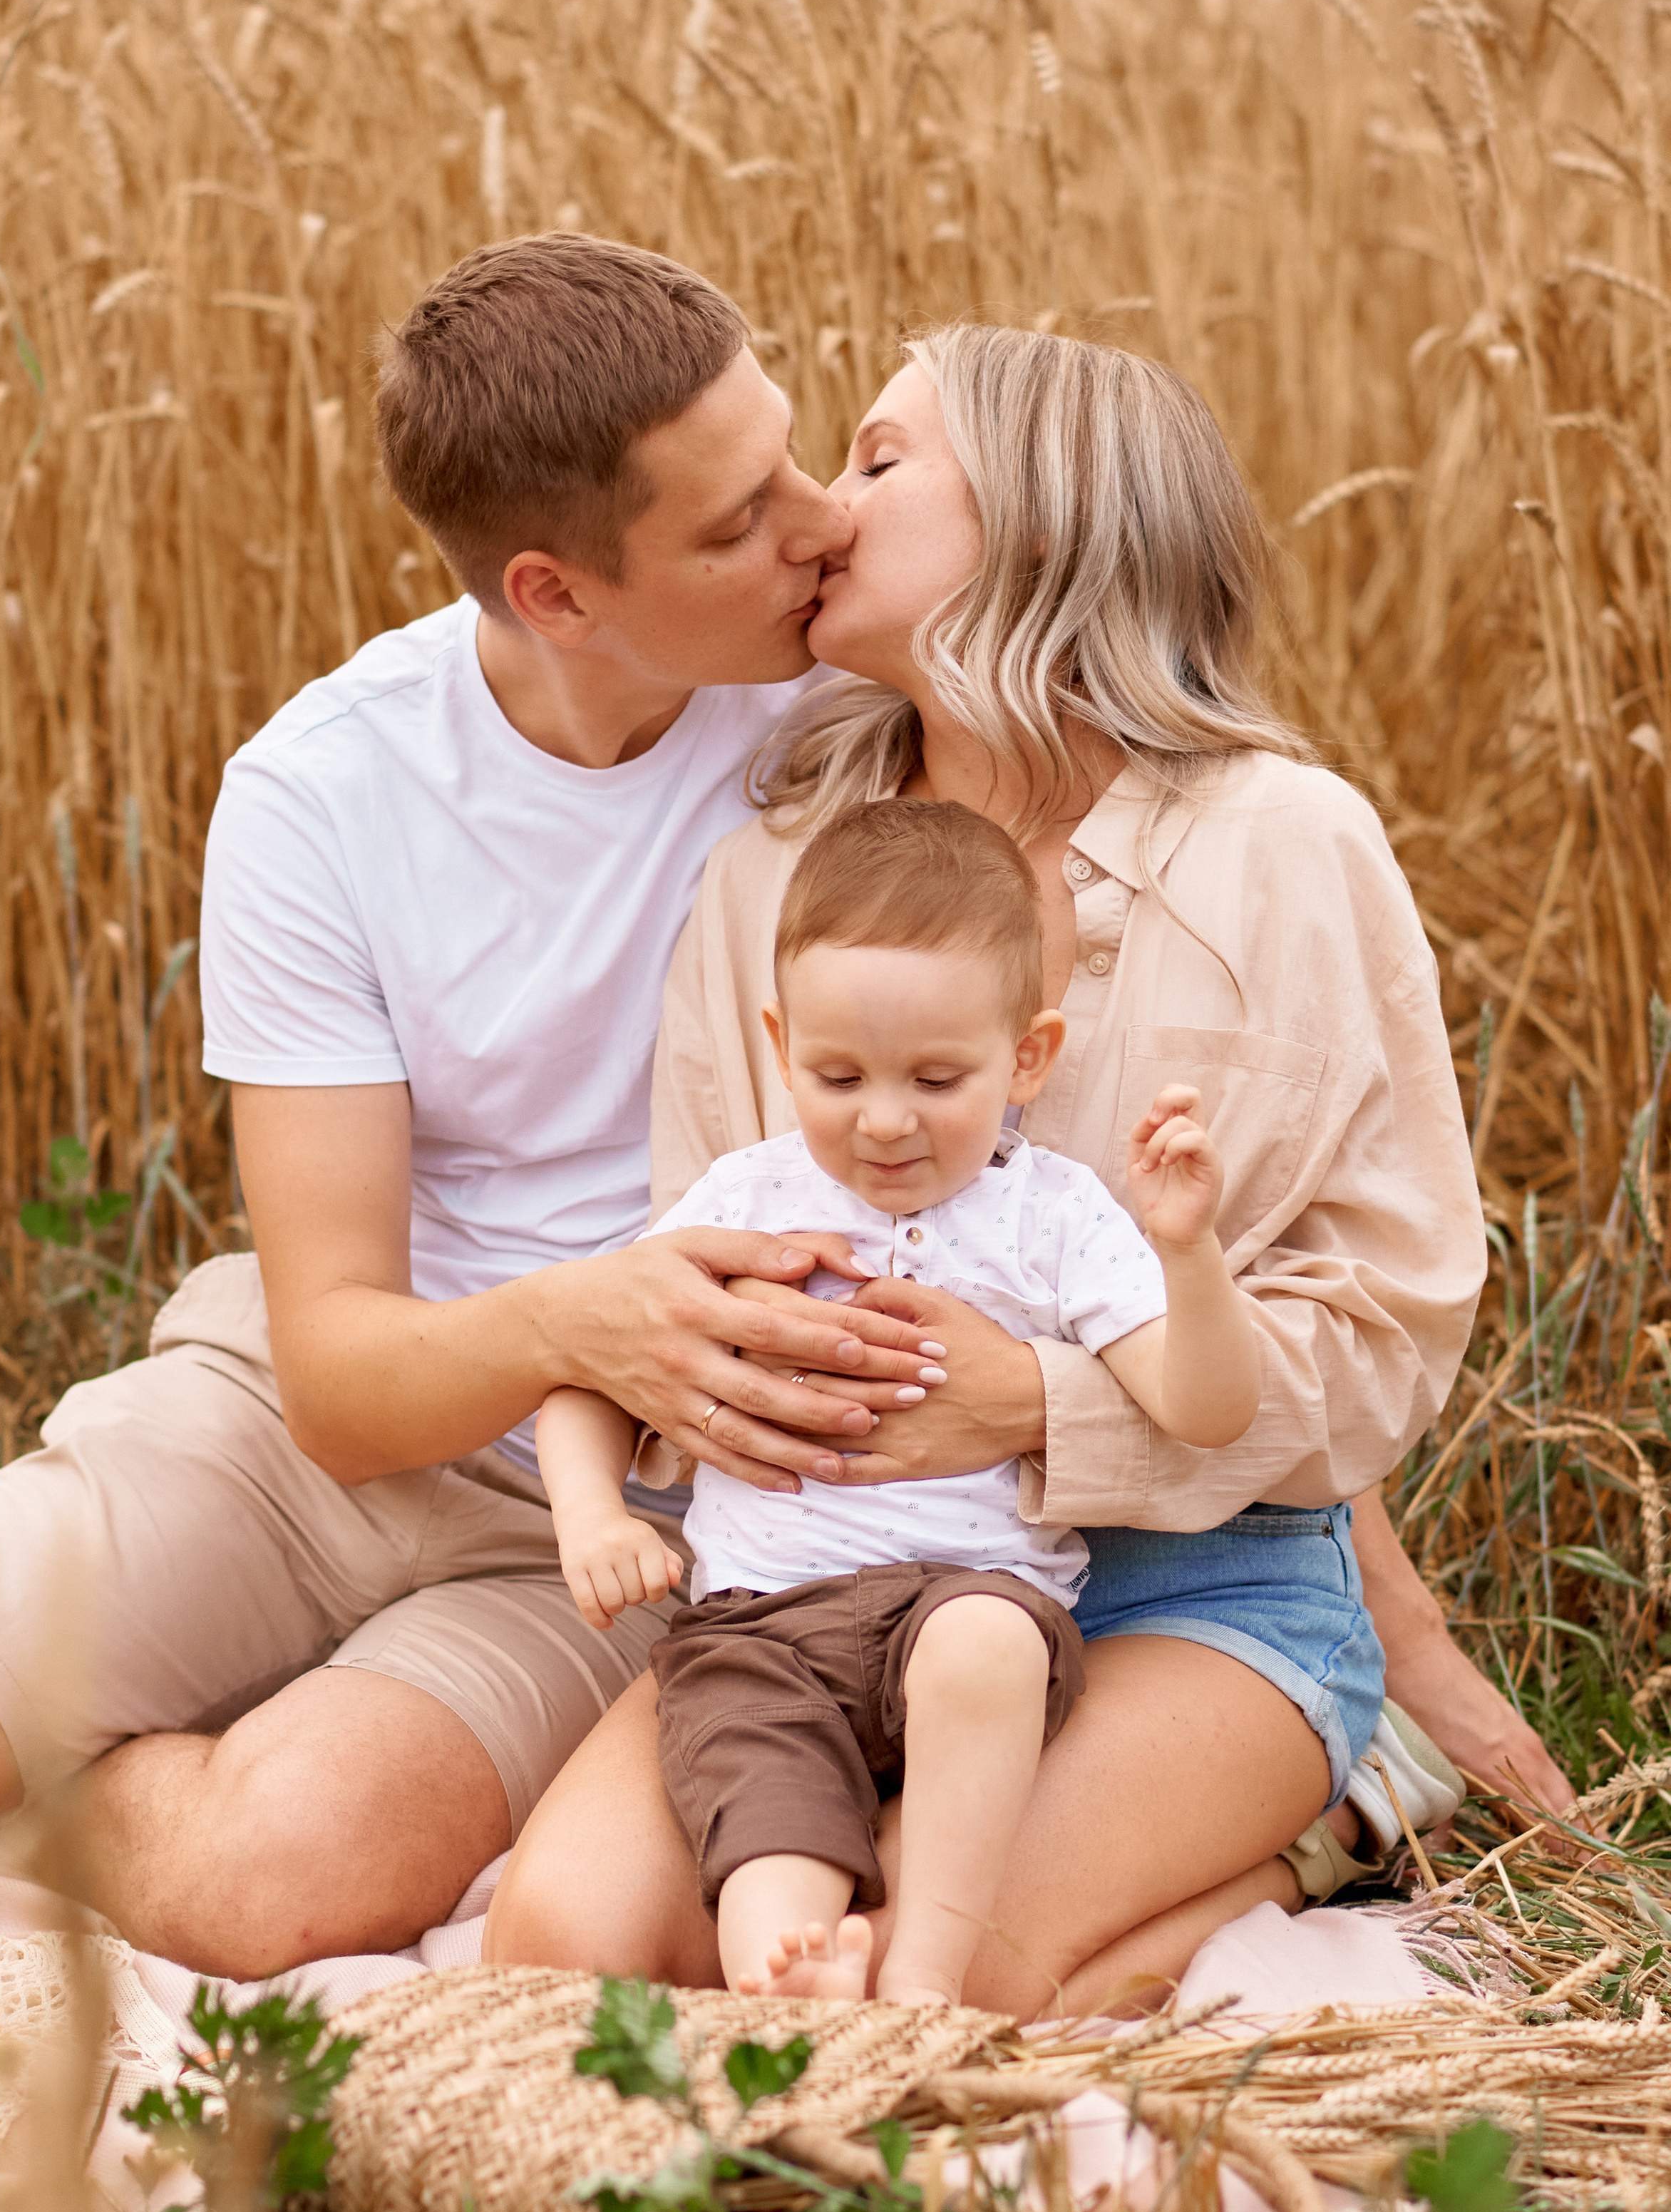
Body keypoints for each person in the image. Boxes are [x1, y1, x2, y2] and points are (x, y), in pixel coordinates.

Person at [0, 236, 945, 1977]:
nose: (818, 527)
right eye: (736, 523)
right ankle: (9, 1724)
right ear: (554, 594)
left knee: (271, 1883)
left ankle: (62, 1774)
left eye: (797, 459)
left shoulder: (866, 727)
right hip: (302, 1439)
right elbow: (343, 1381)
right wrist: (589, 1314)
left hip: (615, 1527)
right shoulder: (324, 791)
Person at [487, 321, 1575, 2015]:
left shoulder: (1283, 852)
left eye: (874, 459)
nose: (821, 511)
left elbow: (1378, 1341)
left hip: (1190, 1573)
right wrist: (718, 1398)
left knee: (952, 1964)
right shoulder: (772, 870)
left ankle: (1304, 1817)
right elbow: (693, 1275)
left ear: (1041, 511)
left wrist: (1030, 1408)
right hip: (813, 1576)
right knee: (569, 1955)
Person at [540, 797, 1280, 2007]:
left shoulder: (1054, 1213)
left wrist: (1188, 1257)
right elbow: (588, 1366)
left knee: (978, 1648)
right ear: (783, 1045)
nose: (885, 1119)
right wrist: (592, 1516)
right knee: (764, 1818)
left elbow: (1203, 1407)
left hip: (967, 1601)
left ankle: (924, 1980)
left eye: (938, 1078)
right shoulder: (746, 1197)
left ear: (1027, 1057)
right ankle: (793, 1989)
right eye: (839, 1075)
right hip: (758, 1625)